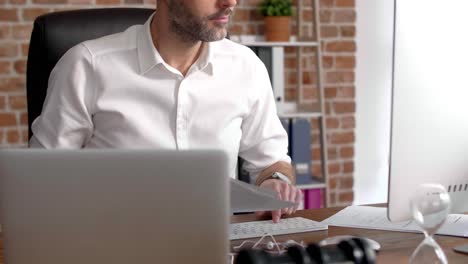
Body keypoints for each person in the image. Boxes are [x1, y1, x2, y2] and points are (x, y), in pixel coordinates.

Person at [29, 0, 302, 222]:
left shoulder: (246, 67)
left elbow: (271, 162)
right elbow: (42, 181)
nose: (229, 2)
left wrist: (274, 183)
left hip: (211, 247)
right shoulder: (87, 65)